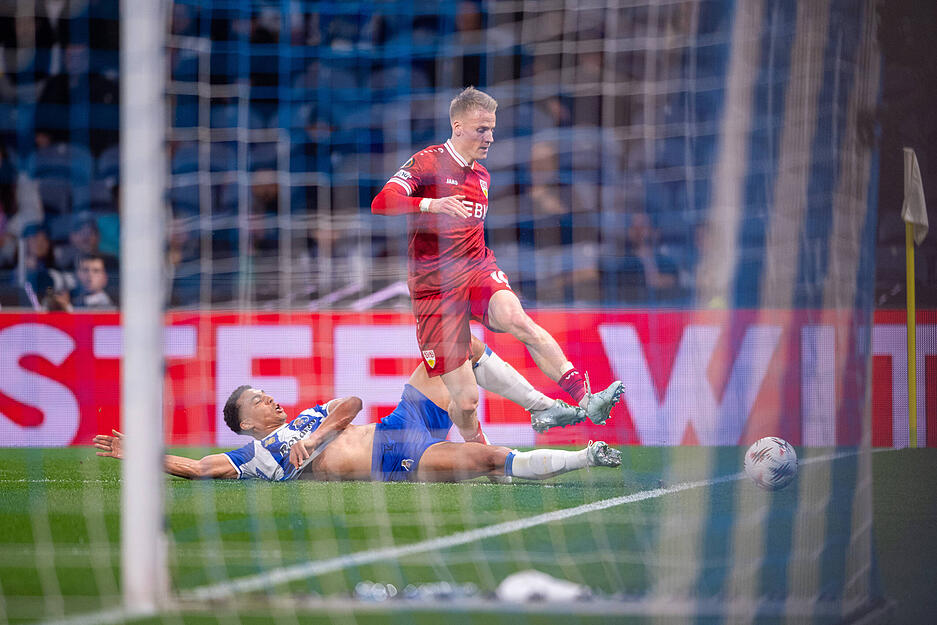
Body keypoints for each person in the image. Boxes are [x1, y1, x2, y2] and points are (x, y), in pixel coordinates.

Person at [371, 86, 622, 444]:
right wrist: (431, 206)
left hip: (476, 270)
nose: (489, 137)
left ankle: (585, 397)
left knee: (517, 319)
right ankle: (484, 457)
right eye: (481, 129)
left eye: (491, 128)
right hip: (433, 290)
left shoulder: (482, 177)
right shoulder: (428, 162)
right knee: (467, 403)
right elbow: (382, 202)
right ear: (457, 127)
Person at [93, 338, 621, 483]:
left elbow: (352, 404)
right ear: (247, 422)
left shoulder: (303, 420)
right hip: (396, 464)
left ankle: (546, 408)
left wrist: (318, 433)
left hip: (399, 425)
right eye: (258, 401)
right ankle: (586, 456)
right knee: (484, 462)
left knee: (457, 342)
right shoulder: (256, 455)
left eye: (266, 394)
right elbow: (197, 468)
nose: (270, 399)